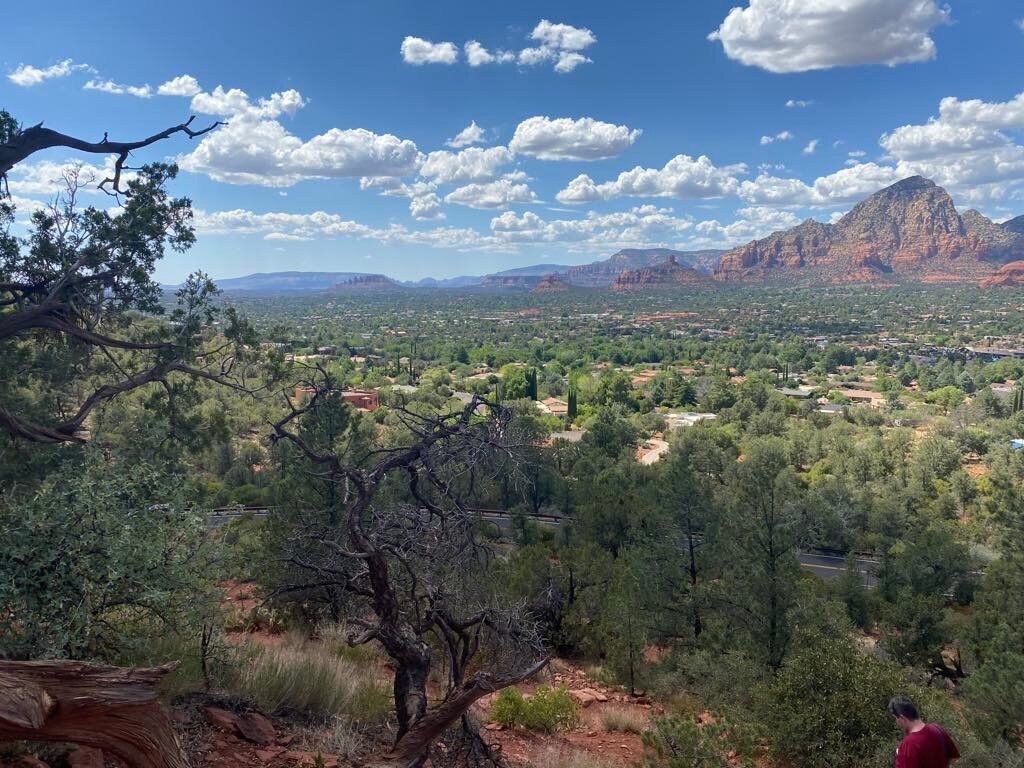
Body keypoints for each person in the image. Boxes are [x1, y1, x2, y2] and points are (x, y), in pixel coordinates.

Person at [888, 696, 960, 767]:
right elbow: (953, 758)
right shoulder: (937, 728)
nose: (896, 722)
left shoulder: (908, 744)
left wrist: (901, 755)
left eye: (895, 719)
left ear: (902, 718)